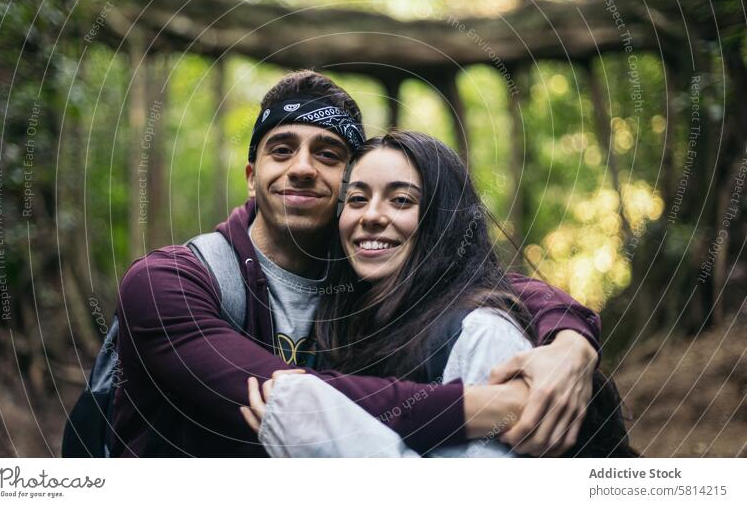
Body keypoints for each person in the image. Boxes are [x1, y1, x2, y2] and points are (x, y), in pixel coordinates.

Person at [112, 70, 601, 457]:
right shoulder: (168, 283)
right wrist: (495, 405)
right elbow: (297, 404)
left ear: (349, 184)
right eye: (281, 150)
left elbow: (472, 281)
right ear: (250, 176)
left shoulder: (360, 265)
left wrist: (571, 339)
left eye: (327, 154)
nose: (302, 167)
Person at [241, 131, 634, 458]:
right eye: (357, 199)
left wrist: (318, 429)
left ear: (443, 220)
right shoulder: (349, 323)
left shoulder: (481, 331)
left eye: (401, 200)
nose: (371, 215)